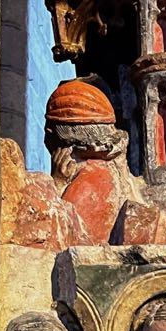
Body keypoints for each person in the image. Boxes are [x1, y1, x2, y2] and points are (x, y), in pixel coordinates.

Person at [44, 79, 143, 243]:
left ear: (55, 134)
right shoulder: (103, 169)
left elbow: (59, 242)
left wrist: (57, 184)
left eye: (48, 128)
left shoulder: (92, 178)